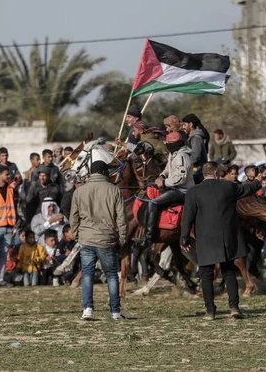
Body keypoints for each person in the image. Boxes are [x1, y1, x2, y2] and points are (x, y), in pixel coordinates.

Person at [180, 162, 255, 320]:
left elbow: (187, 218)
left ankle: (210, 311)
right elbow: (248, 189)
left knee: (206, 274)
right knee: (228, 272)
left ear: (203, 174)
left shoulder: (193, 192)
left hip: (205, 238)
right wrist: (258, 180)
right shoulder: (228, 187)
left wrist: (184, 237)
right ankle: (234, 307)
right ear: (215, 174)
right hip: (227, 237)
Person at [70, 160, 128, 321]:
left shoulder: (79, 191)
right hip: (107, 238)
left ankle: (87, 309)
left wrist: (77, 235)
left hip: (86, 238)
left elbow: (73, 218)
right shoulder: (114, 190)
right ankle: (115, 311)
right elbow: (122, 218)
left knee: (87, 274)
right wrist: (122, 238)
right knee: (111, 275)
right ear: (104, 172)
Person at [141, 132, 194, 247]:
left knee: (153, 203)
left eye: (170, 143)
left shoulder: (182, 156)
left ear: (177, 143)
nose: (167, 145)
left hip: (182, 191)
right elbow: (167, 170)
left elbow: (180, 179)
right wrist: (161, 177)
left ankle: (148, 238)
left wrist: (164, 182)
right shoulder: (173, 154)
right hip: (173, 187)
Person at [181, 114, 209, 183]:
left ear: (190, 125)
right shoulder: (192, 138)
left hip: (196, 174)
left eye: (184, 125)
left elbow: (195, 157)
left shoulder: (196, 138)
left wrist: (183, 164)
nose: (183, 127)